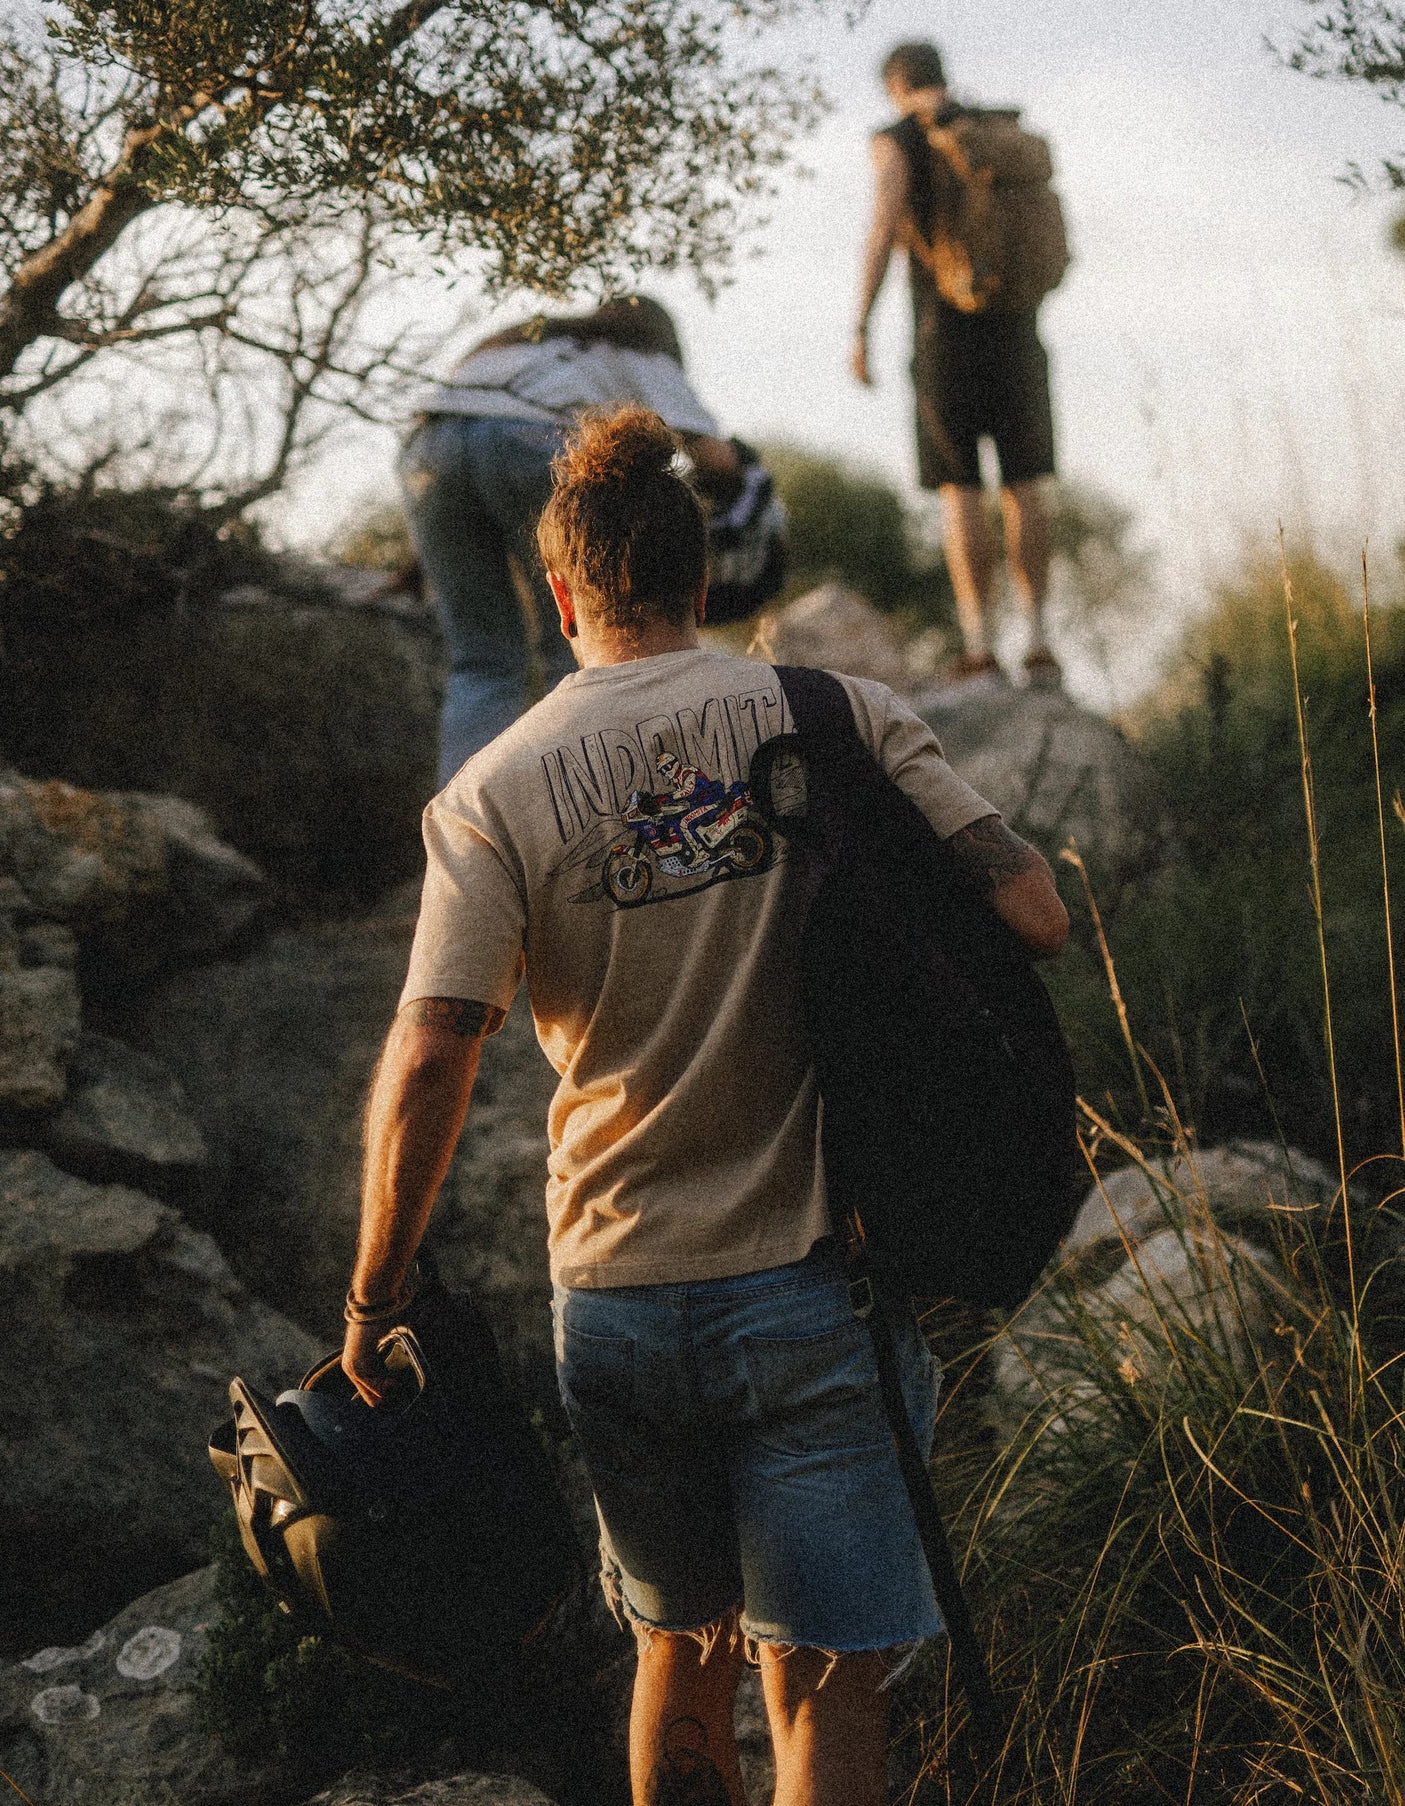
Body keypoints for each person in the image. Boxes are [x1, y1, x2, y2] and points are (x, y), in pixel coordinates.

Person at [344, 407, 1068, 1806]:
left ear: (558, 597)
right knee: (820, 1687)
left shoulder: (488, 792)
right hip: (819, 1291)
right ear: (699, 577)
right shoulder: (842, 715)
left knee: (676, 1649)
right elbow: (1030, 910)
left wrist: (375, 1298)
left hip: (614, 1296)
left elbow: (434, 1051)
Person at [399, 296, 740, 784]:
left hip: (426, 450)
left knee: (483, 660)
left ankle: (467, 828)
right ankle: (592, 804)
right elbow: (716, 461)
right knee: (580, 645)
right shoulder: (637, 351)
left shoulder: (515, 340)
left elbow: (464, 452)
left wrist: (420, 565)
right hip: (533, 441)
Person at [853, 40, 1063, 686]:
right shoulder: (997, 126)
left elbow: (886, 223)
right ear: (943, 77)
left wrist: (859, 324)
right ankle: (1037, 641)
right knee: (1025, 483)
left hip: (942, 331)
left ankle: (979, 647)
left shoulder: (897, 137)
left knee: (960, 489)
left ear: (895, 86)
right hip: (1017, 325)